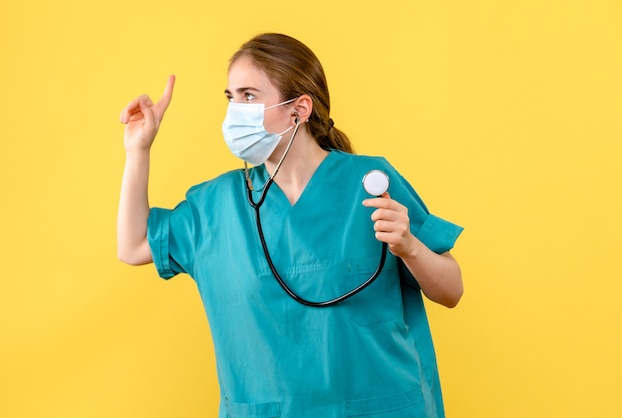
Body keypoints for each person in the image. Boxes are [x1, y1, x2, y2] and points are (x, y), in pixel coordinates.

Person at [118, 33, 463, 418]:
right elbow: (132, 247)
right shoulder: (215, 206)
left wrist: (410, 247)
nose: (235, 112)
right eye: (231, 97)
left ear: (299, 108)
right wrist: (138, 150)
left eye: (249, 95)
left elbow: (451, 290)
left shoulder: (370, 183)